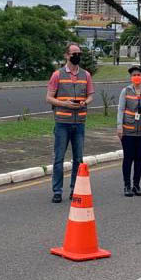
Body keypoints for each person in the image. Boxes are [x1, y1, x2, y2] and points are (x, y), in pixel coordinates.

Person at [45, 43, 95, 203]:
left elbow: (90, 96)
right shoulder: (57, 75)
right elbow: (49, 98)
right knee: (59, 158)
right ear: (66, 55)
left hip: (79, 121)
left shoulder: (86, 75)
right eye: (74, 53)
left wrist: (85, 102)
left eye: (79, 53)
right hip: (62, 122)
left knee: (78, 159)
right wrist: (65, 103)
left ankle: (75, 190)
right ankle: (57, 191)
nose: (77, 56)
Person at [116, 66, 141, 196]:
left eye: (139, 74)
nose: (136, 77)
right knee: (128, 158)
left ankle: (136, 185)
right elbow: (121, 109)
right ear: (131, 77)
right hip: (128, 131)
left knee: (139, 158)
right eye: (134, 75)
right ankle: (126, 185)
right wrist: (119, 126)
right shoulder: (125, 91)